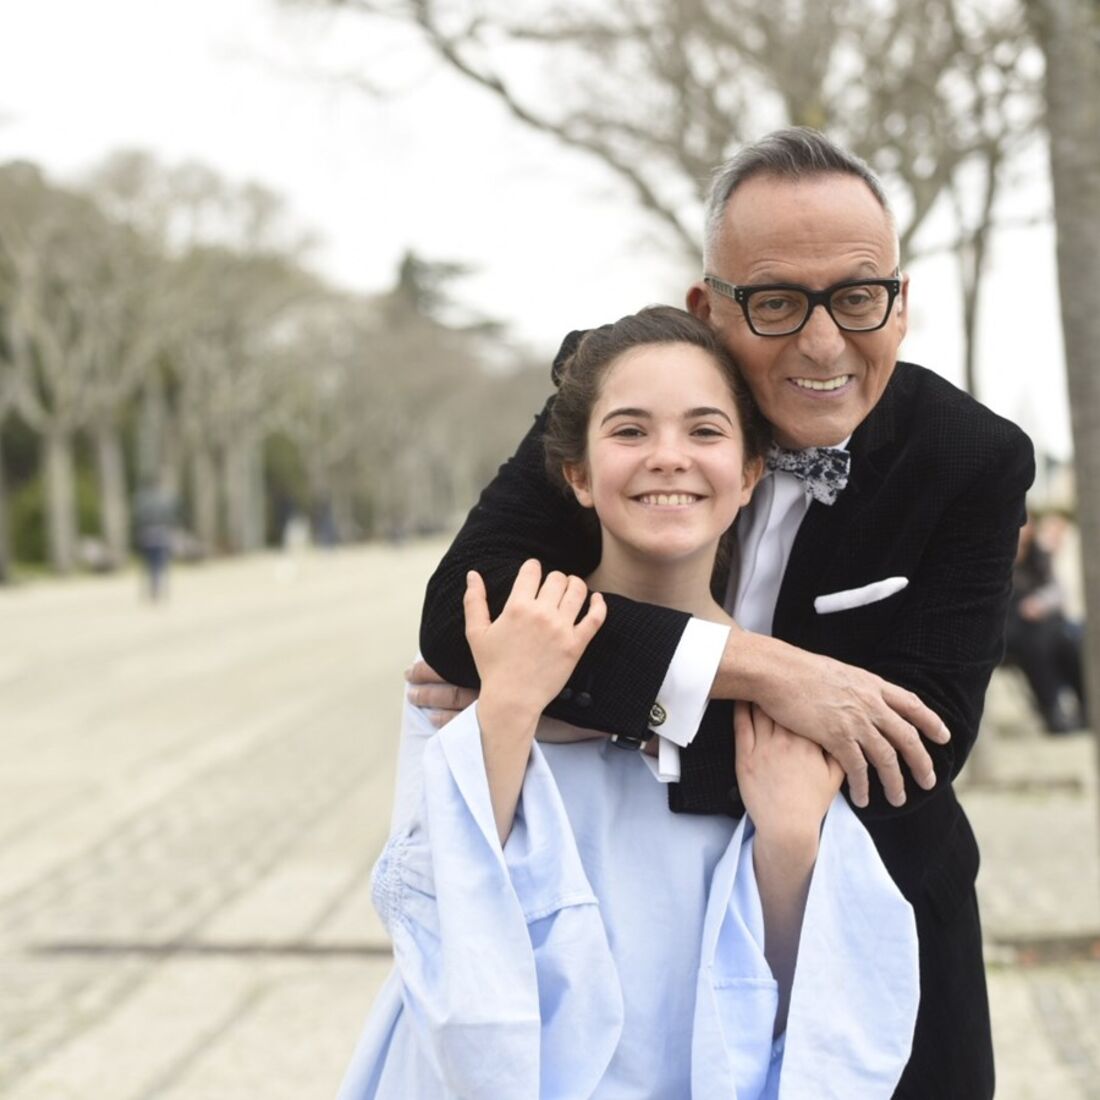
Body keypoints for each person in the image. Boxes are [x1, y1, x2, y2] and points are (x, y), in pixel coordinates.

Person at [413, 129, 1035, 1098]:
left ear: (900, 302)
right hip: (619, 935)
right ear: (711, 304)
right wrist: (767, 671)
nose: (823, 342)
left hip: (871, 922)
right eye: (777, 301)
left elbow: (913, 748)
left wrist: (553, 711)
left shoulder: (973, 459)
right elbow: (462, 618)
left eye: (857, 295)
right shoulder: (623, 397)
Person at [338, 308, 918, 1098]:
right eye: (630, 432)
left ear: (752, 471)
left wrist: (789, 846)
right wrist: (508, 710)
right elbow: (438, 913)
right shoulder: (495, 653)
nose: (668, 459)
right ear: (577, 472)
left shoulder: (793, 696)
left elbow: (821, 1004)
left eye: (706, 432)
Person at [1004, 514, 1087, 733]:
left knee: (1068, 641)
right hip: (1009, 629)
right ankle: (1052, 710)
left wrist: (1039, 603)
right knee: (1037, 645)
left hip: (1042, 624)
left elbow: (1057, 590)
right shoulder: (999, 558)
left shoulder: (1038, 556)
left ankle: (1086, 708)